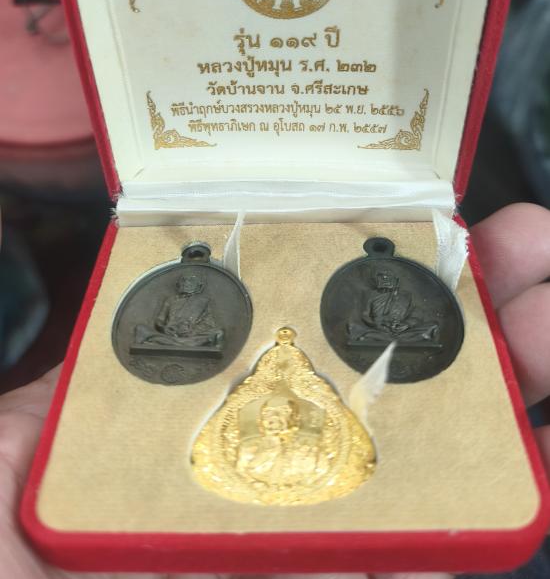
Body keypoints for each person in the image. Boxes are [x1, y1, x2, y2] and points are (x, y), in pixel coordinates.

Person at [1, 203, 550, 579]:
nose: (277, 422)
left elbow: (386, 322)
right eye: (274, 418)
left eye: (280, 418)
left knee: (404, 331)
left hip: (394, 337)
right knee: (164, 334)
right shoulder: (248, 441)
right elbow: (171, 326)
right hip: (187, 345)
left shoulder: (313, 442)